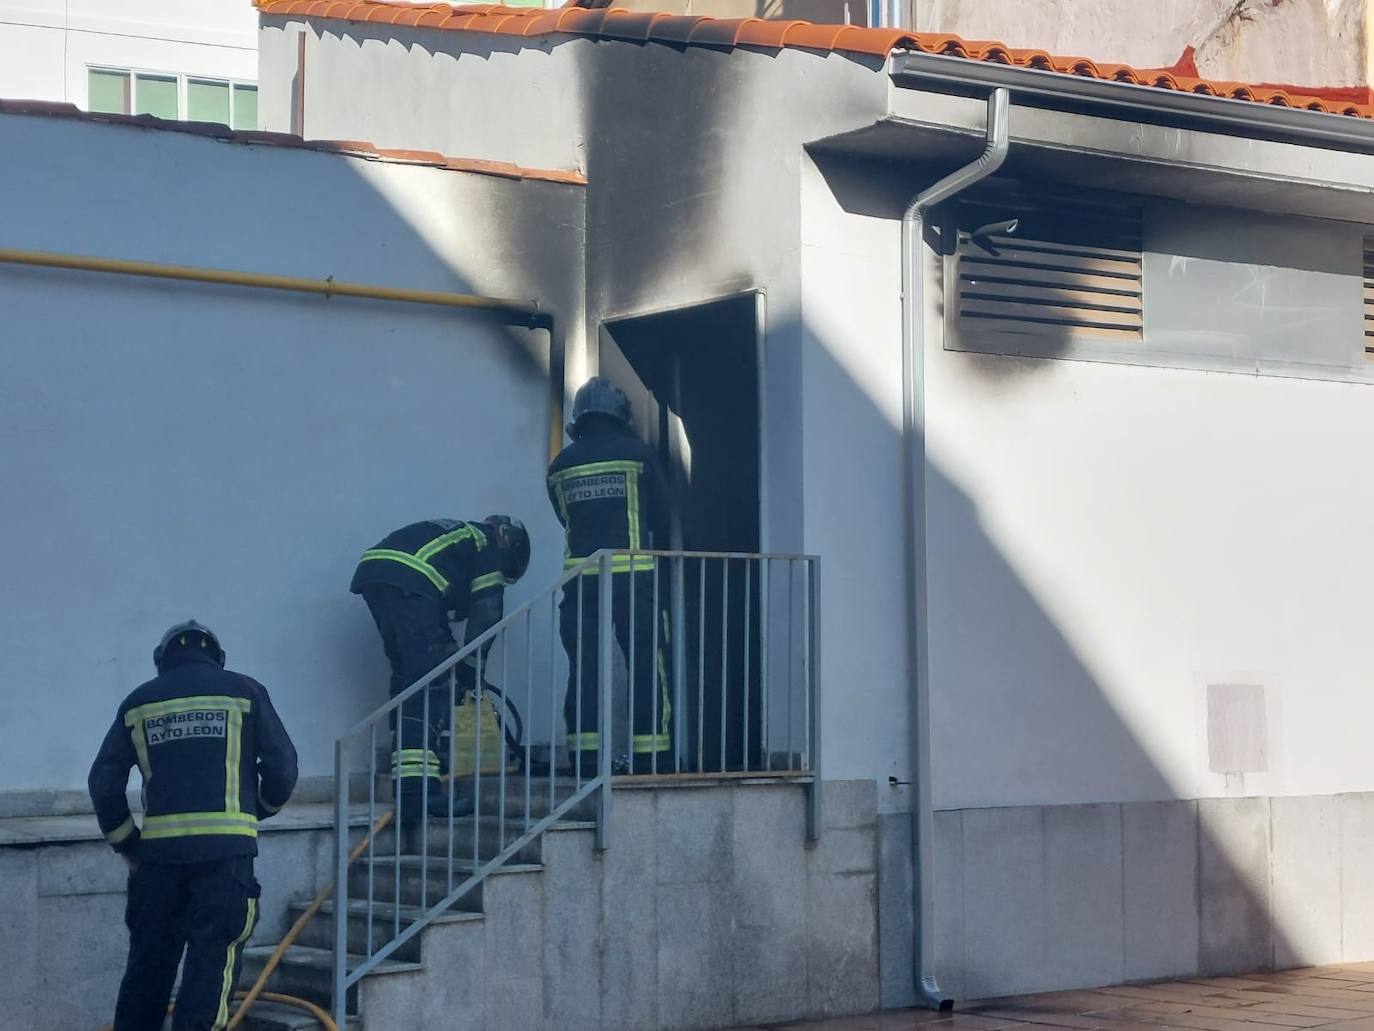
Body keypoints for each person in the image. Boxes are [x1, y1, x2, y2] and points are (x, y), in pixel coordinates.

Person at [89, 620, 298, 1031]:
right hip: (225, 860)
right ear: (218, 659)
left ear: (160, 662)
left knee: (147, 970)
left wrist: (127, 842)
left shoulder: (139, 702)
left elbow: (103, 782)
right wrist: (260, 808)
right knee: (210, 969)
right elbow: (284, 769)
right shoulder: (246, 691)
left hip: (158, 863)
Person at [349, 515, 531, 820]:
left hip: (379, 574)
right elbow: (485, 620)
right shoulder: (488, 551)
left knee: (409, 680)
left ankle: (407, 779)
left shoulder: (466, 539)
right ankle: (419, 795)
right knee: (429, 688)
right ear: (509, 547)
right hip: (413, 581)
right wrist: (472, 675)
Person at [548, 376, 673, 776]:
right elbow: (664, 511)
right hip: (634, 579)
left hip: (581, 582)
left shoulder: (561, 465)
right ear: (620, 416)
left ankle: (585, 757)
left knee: (583, 668)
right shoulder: (637, 454)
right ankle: (652, 754)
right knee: (645, 663)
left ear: (580, 418)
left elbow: (561, 516)